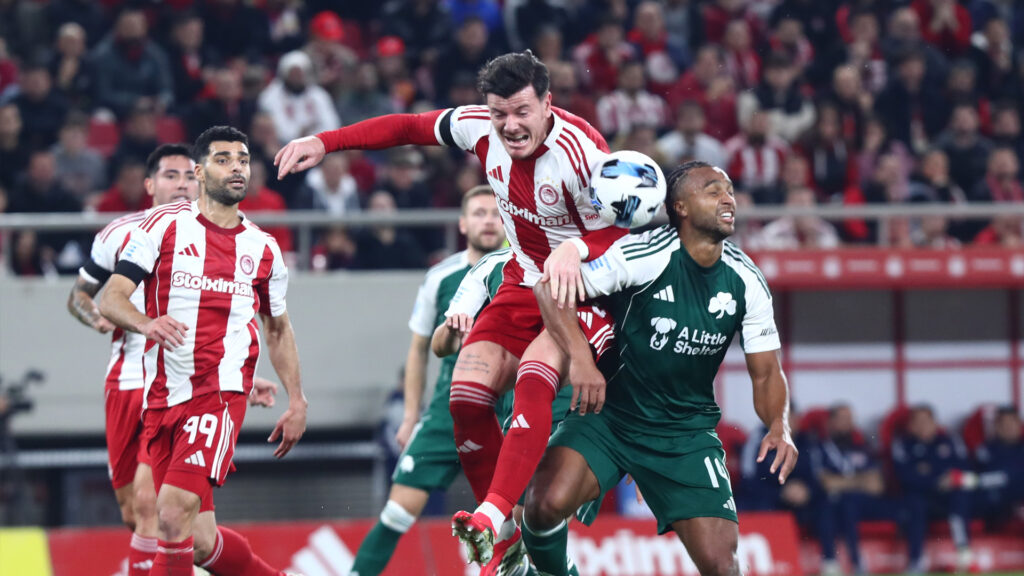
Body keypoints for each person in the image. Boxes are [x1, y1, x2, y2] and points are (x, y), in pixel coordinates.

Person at [274, 51, 627, 570]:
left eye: (522, 112)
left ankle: (493, 516)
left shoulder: (584, 153)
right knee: (465, 394)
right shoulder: (476, 127)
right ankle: (505, 536)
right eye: (500, 113)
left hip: (582, 291)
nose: (510, 126)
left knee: (534, 377)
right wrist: (325, 142)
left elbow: (627, 230)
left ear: (547, 103)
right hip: (523, 279)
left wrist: (577, 247)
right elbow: (407, 127)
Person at [523, 160, 798, 576]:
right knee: (542, 507)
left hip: (685, 433)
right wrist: (580, 359)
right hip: (611, 417)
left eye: (729, 190)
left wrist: (779, 424)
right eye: (712, 191)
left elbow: (766, 372)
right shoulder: (645, 254)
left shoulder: (746, 279)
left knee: (722, 566)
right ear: (680, 207)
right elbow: (549, 288)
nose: (728, 199)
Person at [99, 127, 307, 576]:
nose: (237, 168)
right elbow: (110, 297)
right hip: (162, 397)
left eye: (243, 159)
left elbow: (276, 327)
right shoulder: (163, 226)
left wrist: (297, 398)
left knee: (170, 514)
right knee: (199, 540)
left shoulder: (264, 248)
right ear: (199, 171)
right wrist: (146, 323)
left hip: (218, 394)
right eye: (223, 159)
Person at [347, 185, 505, 576]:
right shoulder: (441, 277)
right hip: (447, 412)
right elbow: (419, 349)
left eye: (496, 214)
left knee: (515, 521)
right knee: (397, 511)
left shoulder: (523, 271)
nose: (489, 221)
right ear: (462, 224)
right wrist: (410, 416)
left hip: (507, 409)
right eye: (480, 213)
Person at [892, 405, 973, 574]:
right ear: (910, 425)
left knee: (960, 496)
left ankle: (964, 554)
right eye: (917, 422)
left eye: (926, 421)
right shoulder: (903, 444)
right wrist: (939, 477)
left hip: (946, 495)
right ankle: (915, 561)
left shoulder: (949, 441)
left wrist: (928, 472)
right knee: (915, 503)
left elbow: (963, 468)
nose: (922, 426)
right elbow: (905, 476)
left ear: (935, 423)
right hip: (917, 496)